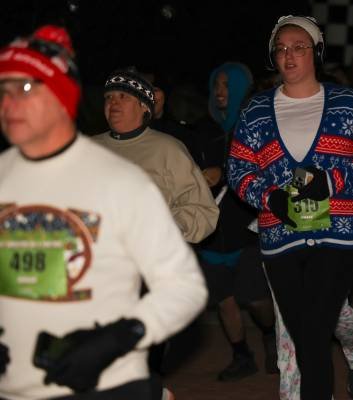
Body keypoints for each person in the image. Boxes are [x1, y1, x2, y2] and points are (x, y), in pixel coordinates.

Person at [0, 25, 207, 399]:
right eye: (3, 90)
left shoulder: (135, 168)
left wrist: (118, 337)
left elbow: (186, 277)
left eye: (26, 87)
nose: (9, 103)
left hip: (118, 355)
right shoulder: (7, 174)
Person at [227, 15, 353, 400]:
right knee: (304, 335)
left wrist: (331, 182)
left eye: (299, 47)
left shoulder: (348, 103)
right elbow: (238, 170)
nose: (289, 55)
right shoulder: (256, 110)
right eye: (281, 49)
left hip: (339, 235)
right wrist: (270, 198)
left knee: (314, 330)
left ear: (316, 52)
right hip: (280, 236)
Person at [200, 62, 278, 381]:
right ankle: (241, 355)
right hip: (210, 229)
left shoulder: (256, 126)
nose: (220, 91)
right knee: (224, 299)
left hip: (247, 226)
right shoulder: (204, 130)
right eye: (216, 85)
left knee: (254, 296)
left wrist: (226, 173)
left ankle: (271, 334)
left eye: (227, 85)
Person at [92, 67, 219, 244]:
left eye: (123, 96)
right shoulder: (87, 148)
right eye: (108, 97)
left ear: (144, 106)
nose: (113, 102)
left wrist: (169, 226)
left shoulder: (168, 149)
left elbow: (203, 209)